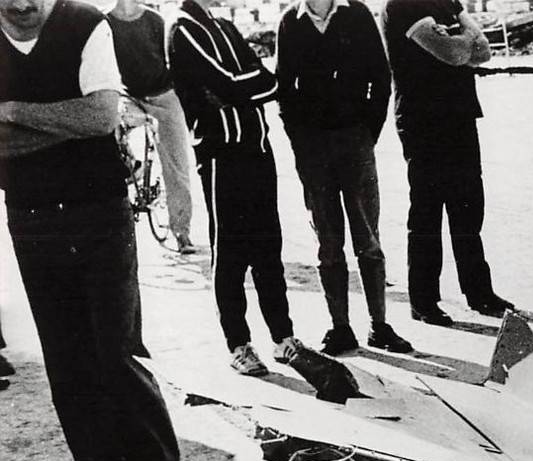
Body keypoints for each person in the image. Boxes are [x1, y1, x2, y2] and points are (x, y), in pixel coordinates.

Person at [0, 0, 181, 461]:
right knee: (66, 359)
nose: (24, 5)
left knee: (116, 350)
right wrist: (65, 121)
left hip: (99, 212)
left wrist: (13, 113)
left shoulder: (84, 24)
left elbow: (101, 116)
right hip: (31, 218)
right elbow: (81, 118)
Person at [170, 0, 310, 375]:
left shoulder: (225, 26)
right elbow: (228, 84)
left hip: (257, 148)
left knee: (268, 249)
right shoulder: (183, 30)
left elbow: (265, 81)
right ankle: (239, 344)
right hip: (222, 156)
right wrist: (245, 87)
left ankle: (283, 338)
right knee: (230, 253)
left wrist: (241, 88)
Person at [277, 0, 413, 355]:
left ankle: (379, 326)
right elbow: (284, 89)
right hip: (313, 150)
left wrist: (367, 133)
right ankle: (340, 328)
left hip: (355, 140)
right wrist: (301, 142)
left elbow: (380, 78)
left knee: (368, 238)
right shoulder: (290, 22)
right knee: (328, 242)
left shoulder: (357, 14)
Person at [381, 0, 512, 325]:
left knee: (468, 208)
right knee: (427, 213)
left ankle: (479, 292)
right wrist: (466, 37)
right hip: (422, 122)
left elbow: (484, 52)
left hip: (461, 116)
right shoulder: (401, 6)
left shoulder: (448, 1)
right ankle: (424, 300)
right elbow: (454, 53)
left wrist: (460, 41)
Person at [107, 0, 193, 253]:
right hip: (129, 97)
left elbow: (173, 62)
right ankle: (132, 167)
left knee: (176, 164)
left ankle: (181, 232)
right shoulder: (105, 22)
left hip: (164, 96)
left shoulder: (154, 20)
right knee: (107, 127)